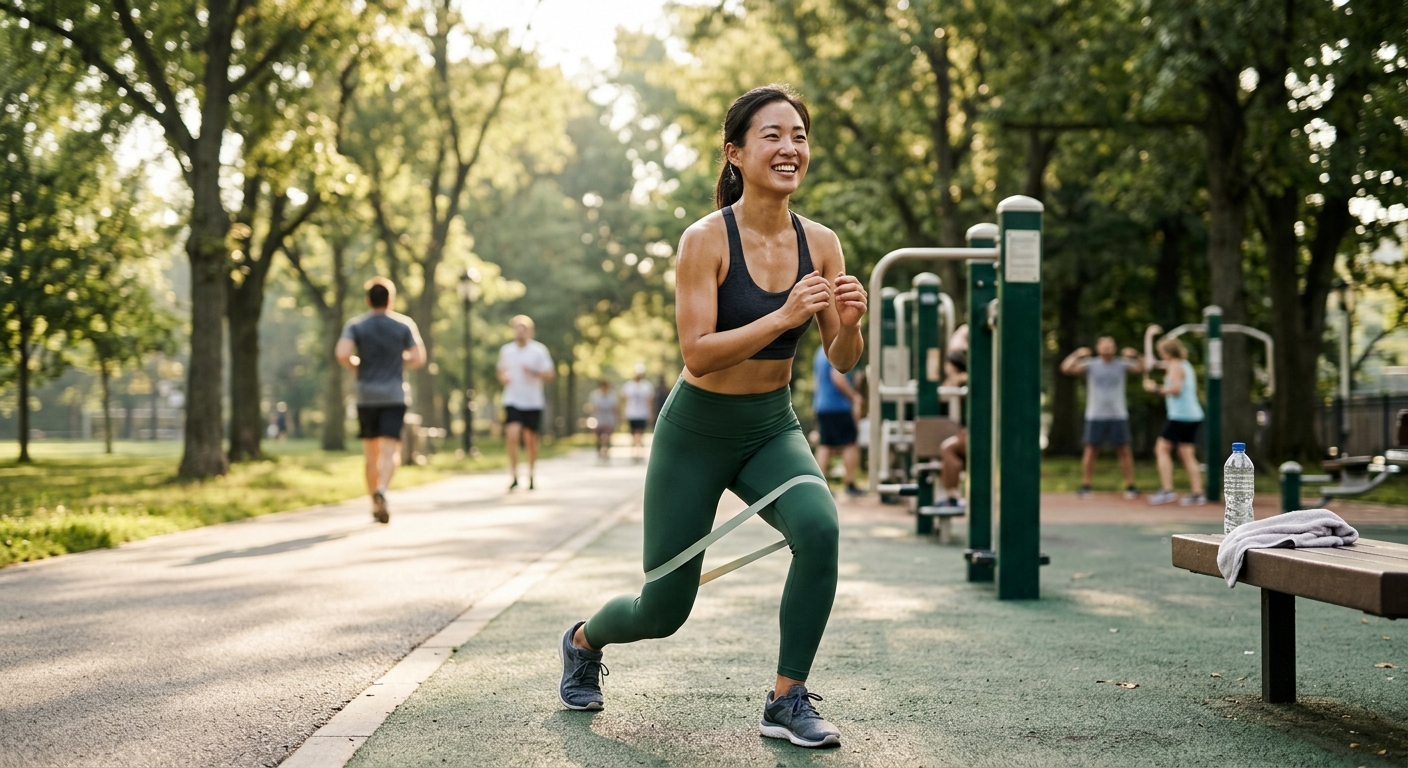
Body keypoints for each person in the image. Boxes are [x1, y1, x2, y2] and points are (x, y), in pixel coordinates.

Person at [558, 85, 867, 749]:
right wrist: (784, 316)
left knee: (819, 528)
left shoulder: (822, 243)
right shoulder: (704, 239)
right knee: (662, 611)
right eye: (772, 135)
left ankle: (786, 699)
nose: (789, 148)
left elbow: (842, 359)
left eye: (799, 136)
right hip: (695, 433)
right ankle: (583, 641)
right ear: (735, 152)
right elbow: (697, 354)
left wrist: (850, 323)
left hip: (770, 427)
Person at [335, 277, 427, 524]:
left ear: (368, 300)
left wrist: (355, 364)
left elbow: (342, 353)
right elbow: (419, 358)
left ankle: (373, 504)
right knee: (390, 451)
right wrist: (399, 358)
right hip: (394, 396)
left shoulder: (356, 325)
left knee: (371, 454)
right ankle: (383, 490)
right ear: (391, 300)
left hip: (366, 397)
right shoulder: (403, 325)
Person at [1059, 336, 1144, 499]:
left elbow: (1143, 368)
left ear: (1115, 348)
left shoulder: (1122, 364)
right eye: (1104, 346)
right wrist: (1077, 354)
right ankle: (1086, 486)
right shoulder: (1091, 364)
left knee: (1124, 450)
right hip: (1095, 414)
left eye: (1110, 345)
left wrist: (1136, 355)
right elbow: (1065, 368)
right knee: (1091, 451)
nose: (1108, 348)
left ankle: (1130, 486)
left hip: (1118, 414)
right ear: (1098, 348)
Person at [1144, 338, 1206, 506]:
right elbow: (1152, 363)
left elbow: (1176, 389)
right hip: (1192, 415)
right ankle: (1197, 492)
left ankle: (1167, 490)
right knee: (1186, 453)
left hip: (1181, 415)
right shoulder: (1184, 364)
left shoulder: (1175, 366)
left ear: (1167, 353)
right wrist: (1149, 335)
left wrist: (1154, 389)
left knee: (1161, 449)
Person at [498, 315, 554, 490]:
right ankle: (514, 475)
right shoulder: (506, 351)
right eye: (517, 328)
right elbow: (501, 371)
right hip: (512, 399)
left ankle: (531, 474)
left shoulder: (539, 351)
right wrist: (504, 377)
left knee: (530, 440)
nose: (520, 332)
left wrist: (534, 372)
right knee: (512, 435)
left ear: (530, 331)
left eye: (524, 329)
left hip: (532, 401)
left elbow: (550, 375)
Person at [812, 344, 863, 496]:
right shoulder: (836, 349)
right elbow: (838, 378)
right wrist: (854, 397)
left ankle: (820, 485)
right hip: (838, 406)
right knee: (850, 444)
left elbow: (817, 381)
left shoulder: (819, 352)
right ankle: (850, 484)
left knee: (825, 445)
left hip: (822, 404)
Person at [937, 349, 968, 508]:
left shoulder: (964, 380)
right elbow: (942, 398)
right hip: (963, 431)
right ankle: (952, 494)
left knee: (948, 448)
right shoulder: (953, 381)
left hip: (970, 432)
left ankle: (953, 495)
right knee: (949, 450)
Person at [620, 364, 655, 463]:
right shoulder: (628, 386)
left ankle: (639, 452)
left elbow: (650, 401)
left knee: (640, 433)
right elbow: (623, 399)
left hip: (642, 414)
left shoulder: (647, 386)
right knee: (633, 434)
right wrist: (622, 412)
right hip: (631, 414)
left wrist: (651, 413)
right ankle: (635, 452)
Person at [588, 378, 618, 463]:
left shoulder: (612, 395)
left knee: (607, 436)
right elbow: (592, 407)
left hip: (609, 418)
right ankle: (599, 451)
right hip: (598, 418)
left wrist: (617, 417)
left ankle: (606, 452)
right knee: (598, 437)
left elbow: (615, 407)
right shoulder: (595, 395)